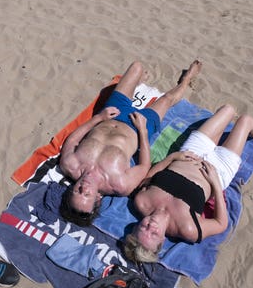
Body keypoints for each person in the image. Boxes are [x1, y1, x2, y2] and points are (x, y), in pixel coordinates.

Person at [124, 104, 253, 263]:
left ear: (137, 226)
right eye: (154, 234)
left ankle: (218, 133)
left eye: (144, 227)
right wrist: (216, 184)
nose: (151, 225)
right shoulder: (187, 229)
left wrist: (173, 157)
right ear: (162, 240)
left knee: (227, 110)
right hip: (219, 168)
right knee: (245, 121)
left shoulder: (142, 202)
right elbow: (221, 224)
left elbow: (149, 175)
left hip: (191, 152)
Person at [59, 60, 203, 226]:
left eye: (78, 191)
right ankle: (187, 79)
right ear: (98, 198)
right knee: (167, 99)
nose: (83, 188)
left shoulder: (70, 164)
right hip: (138, 127)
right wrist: (143, 130)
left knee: (137, 66)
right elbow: (144, 166)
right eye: (87, 195)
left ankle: (138, 82)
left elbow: (73, 139)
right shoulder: (119, 184)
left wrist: (99, 118)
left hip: (112, 113)